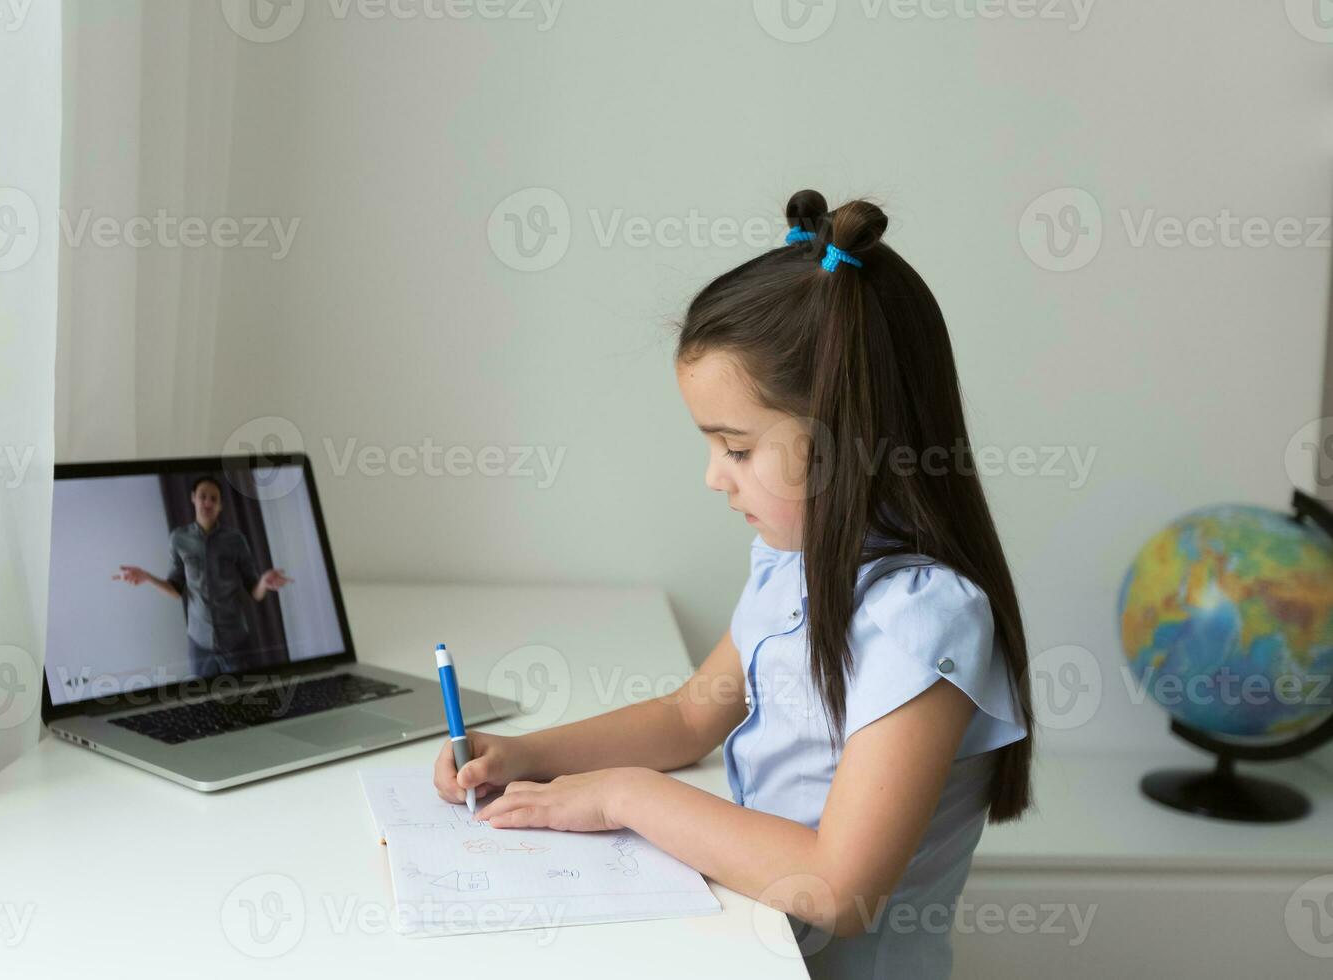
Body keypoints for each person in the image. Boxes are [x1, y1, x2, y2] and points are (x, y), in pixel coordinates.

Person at [433, 192, 1035, 978]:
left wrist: (621, 796)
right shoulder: (793, 565)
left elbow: (839, 886)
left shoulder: (924, 621)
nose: (714, 477)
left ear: (843, 441)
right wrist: (524, 755)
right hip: (751, 935)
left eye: (738, 449)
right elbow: (690, 717)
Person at [114, 475, 293, 676]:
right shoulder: (179, 539)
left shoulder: (235, 539)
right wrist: (146, 577)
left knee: (246, 700)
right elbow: (176, 590)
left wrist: (263, 583)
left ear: (221, 506)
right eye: (203, 496)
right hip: (199, 644)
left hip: (236, 642)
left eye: (214, 499)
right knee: (204, 702)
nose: (207, 502)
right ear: (193, 498)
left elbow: (254, 592)